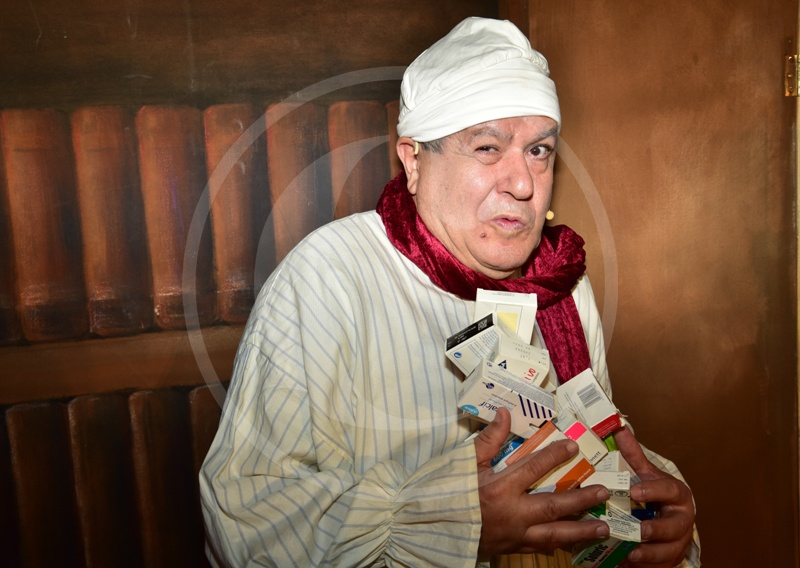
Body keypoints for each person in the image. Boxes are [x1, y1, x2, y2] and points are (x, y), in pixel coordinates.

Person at [200, 17, 700, 567]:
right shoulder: (328, 279)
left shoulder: (562, 285)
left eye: (539, 150)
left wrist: (658, 520)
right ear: (414, 161)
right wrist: (447, 523)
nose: (523, 183)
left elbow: (597, 460)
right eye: (487, 148)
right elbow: (247, 520)